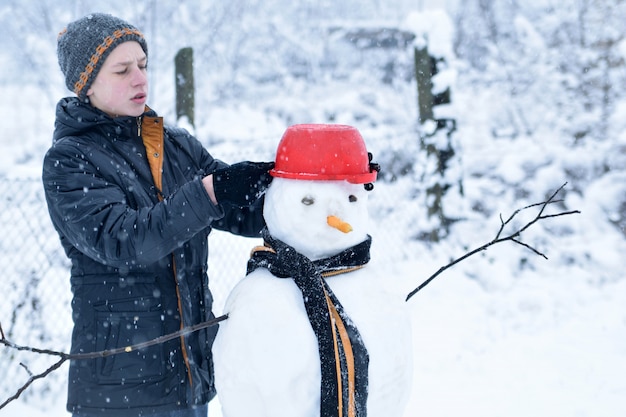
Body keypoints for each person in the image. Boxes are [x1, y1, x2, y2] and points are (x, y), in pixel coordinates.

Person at [42, 13, 273, 417]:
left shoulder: (175, 145)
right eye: (122, 70)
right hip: (120, 390)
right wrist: (210, 191)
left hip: (190, 378)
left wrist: (312, 185)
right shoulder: (69, 160)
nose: (140, 79)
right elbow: (126, 241)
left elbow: (242, 211)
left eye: (144, 65)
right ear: (87, 84)